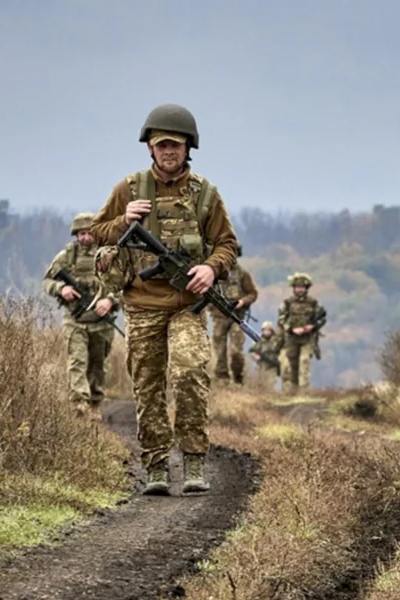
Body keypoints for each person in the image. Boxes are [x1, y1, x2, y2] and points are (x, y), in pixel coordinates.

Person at [90, 103, 239, 496]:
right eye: (162, 145)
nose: (169, 151)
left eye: (176, 145)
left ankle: (193, 462)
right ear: (150, 149)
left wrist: (211, 268)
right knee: (148, 384)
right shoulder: (129, 188)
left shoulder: (205, 194)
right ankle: (156, 465)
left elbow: (227, 244)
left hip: (187, 305)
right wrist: (124, 220)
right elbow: (95, 233)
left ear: (189, 147)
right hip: (142, 306)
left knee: (190, 373)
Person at [42, 213, 122, 420]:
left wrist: (110, 301)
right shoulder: (67, 256)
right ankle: (80, 404)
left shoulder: (109, 256)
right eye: (81, 234)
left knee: (98, 365)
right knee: (77, 362)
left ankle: (95, 403)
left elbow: (125, 286)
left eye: (89, 233)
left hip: (102, 322)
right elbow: (47, 281)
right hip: (75, 320)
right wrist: (62, 288)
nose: (85, 238)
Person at [208, 245, 257, 385]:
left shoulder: (242, 274)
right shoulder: (214, 272)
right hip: (219, 317)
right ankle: (222, 379)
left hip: (237, 317)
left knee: (236, 350)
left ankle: (238, 378)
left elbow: (252, 293)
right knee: (219, 350)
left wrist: (242, 301)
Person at [277, 272, 327, 393]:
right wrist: (291, 329)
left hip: (308, 338)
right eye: (297, 287)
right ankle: (294, 392)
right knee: (292, 365)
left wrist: (312, 326)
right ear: (293, 288)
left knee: (304, 361)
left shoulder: (313, 303)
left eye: (302, 287)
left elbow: (322, 317)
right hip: (291, 338)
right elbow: (281, 319)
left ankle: (304, 391)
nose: (300, 290)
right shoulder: (287, 303)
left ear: (306, 288)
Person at [248, 321, 283, 391]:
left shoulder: (276, 340)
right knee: (260, 386)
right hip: (261, 366)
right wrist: (255, 356)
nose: (266, 332)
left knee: (270, 385)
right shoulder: (259, 340)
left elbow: (281, 350)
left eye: (268, 330)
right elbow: (252, 351)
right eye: (265, 330)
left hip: (272, 366)